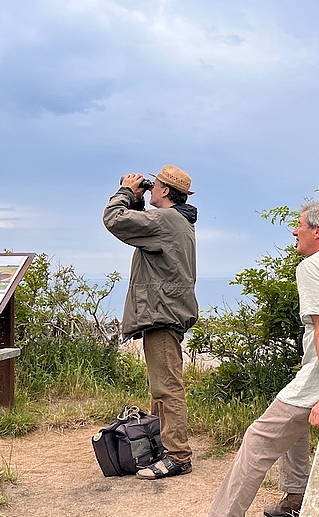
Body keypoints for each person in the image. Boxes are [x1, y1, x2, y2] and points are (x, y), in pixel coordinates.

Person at [208, 202, 319, 517]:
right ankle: (295, 499)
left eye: (299, 224)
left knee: (257, 439)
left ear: (317, 231)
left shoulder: (313, 266)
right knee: (295, 429)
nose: (294, 231)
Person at [103, 165, 199, 480]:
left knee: (167, 387)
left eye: (154, 186)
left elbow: (115, 221)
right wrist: (140, 201)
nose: (151, 188)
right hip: (165, 313)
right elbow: (143, 230)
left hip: (162, 315)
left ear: (166, 191)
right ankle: (164, 447)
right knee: (161, 388)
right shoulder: (177, 222)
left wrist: (127, 193)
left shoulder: (168, 219)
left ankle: (178, 457)